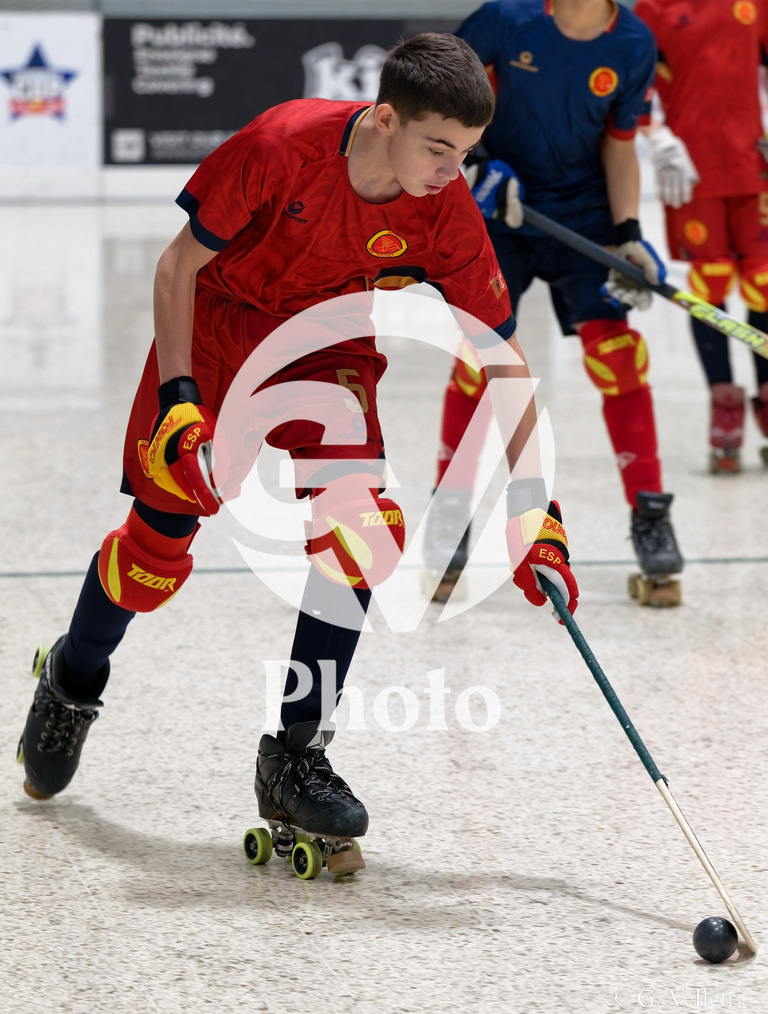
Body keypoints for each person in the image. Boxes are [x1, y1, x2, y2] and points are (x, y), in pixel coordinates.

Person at [16, 33, 579, 877]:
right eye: (437, 148)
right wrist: (179, 403)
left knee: (363, 532)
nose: (451, 170)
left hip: (326, 347)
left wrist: (540, 513)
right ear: (384, 119)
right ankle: (72, 675)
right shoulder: (280, 146)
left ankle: (295, 755)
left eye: (465, 153)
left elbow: (502, 358)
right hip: (218, 330)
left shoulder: (444, 206)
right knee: (154, 557)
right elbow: (176, 267)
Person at [422, 0, 684, 609]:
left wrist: (628, 234)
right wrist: (475, 166)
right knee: (479, 359)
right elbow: (434, 102)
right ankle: (451, 509)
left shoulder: (633, 43)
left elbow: (621, 143)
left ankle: (650, 515)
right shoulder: (504, 20)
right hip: (496, 212)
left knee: (619, 356)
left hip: (583, 217)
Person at [634, 0, 768, 473]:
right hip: (692, 171)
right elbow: (632, 87)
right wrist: (658, 138)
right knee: (708, 287)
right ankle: (724, 402)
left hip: (754, 165)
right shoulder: (653, 10)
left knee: (764, 283)